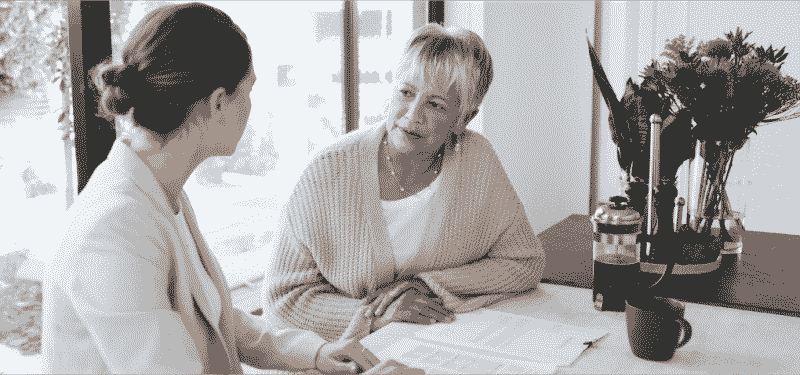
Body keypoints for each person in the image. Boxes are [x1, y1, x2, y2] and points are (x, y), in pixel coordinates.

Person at [41, 3, 419, 374]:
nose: (251, 107)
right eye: (248, 91)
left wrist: (315, 353)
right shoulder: (113, 231)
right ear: (219, 103)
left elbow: (211, 315)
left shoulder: (157, 189)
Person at [262, 23, 547, 342]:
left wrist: (430, 284)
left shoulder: (476, 159)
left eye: (435, 104)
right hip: (342, 358)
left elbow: (524, 262)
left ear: (463, 118)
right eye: (406, 93)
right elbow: (281, 302)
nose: (413, 114)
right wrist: (377, 316)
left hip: (441, 346)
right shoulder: (327, 171)